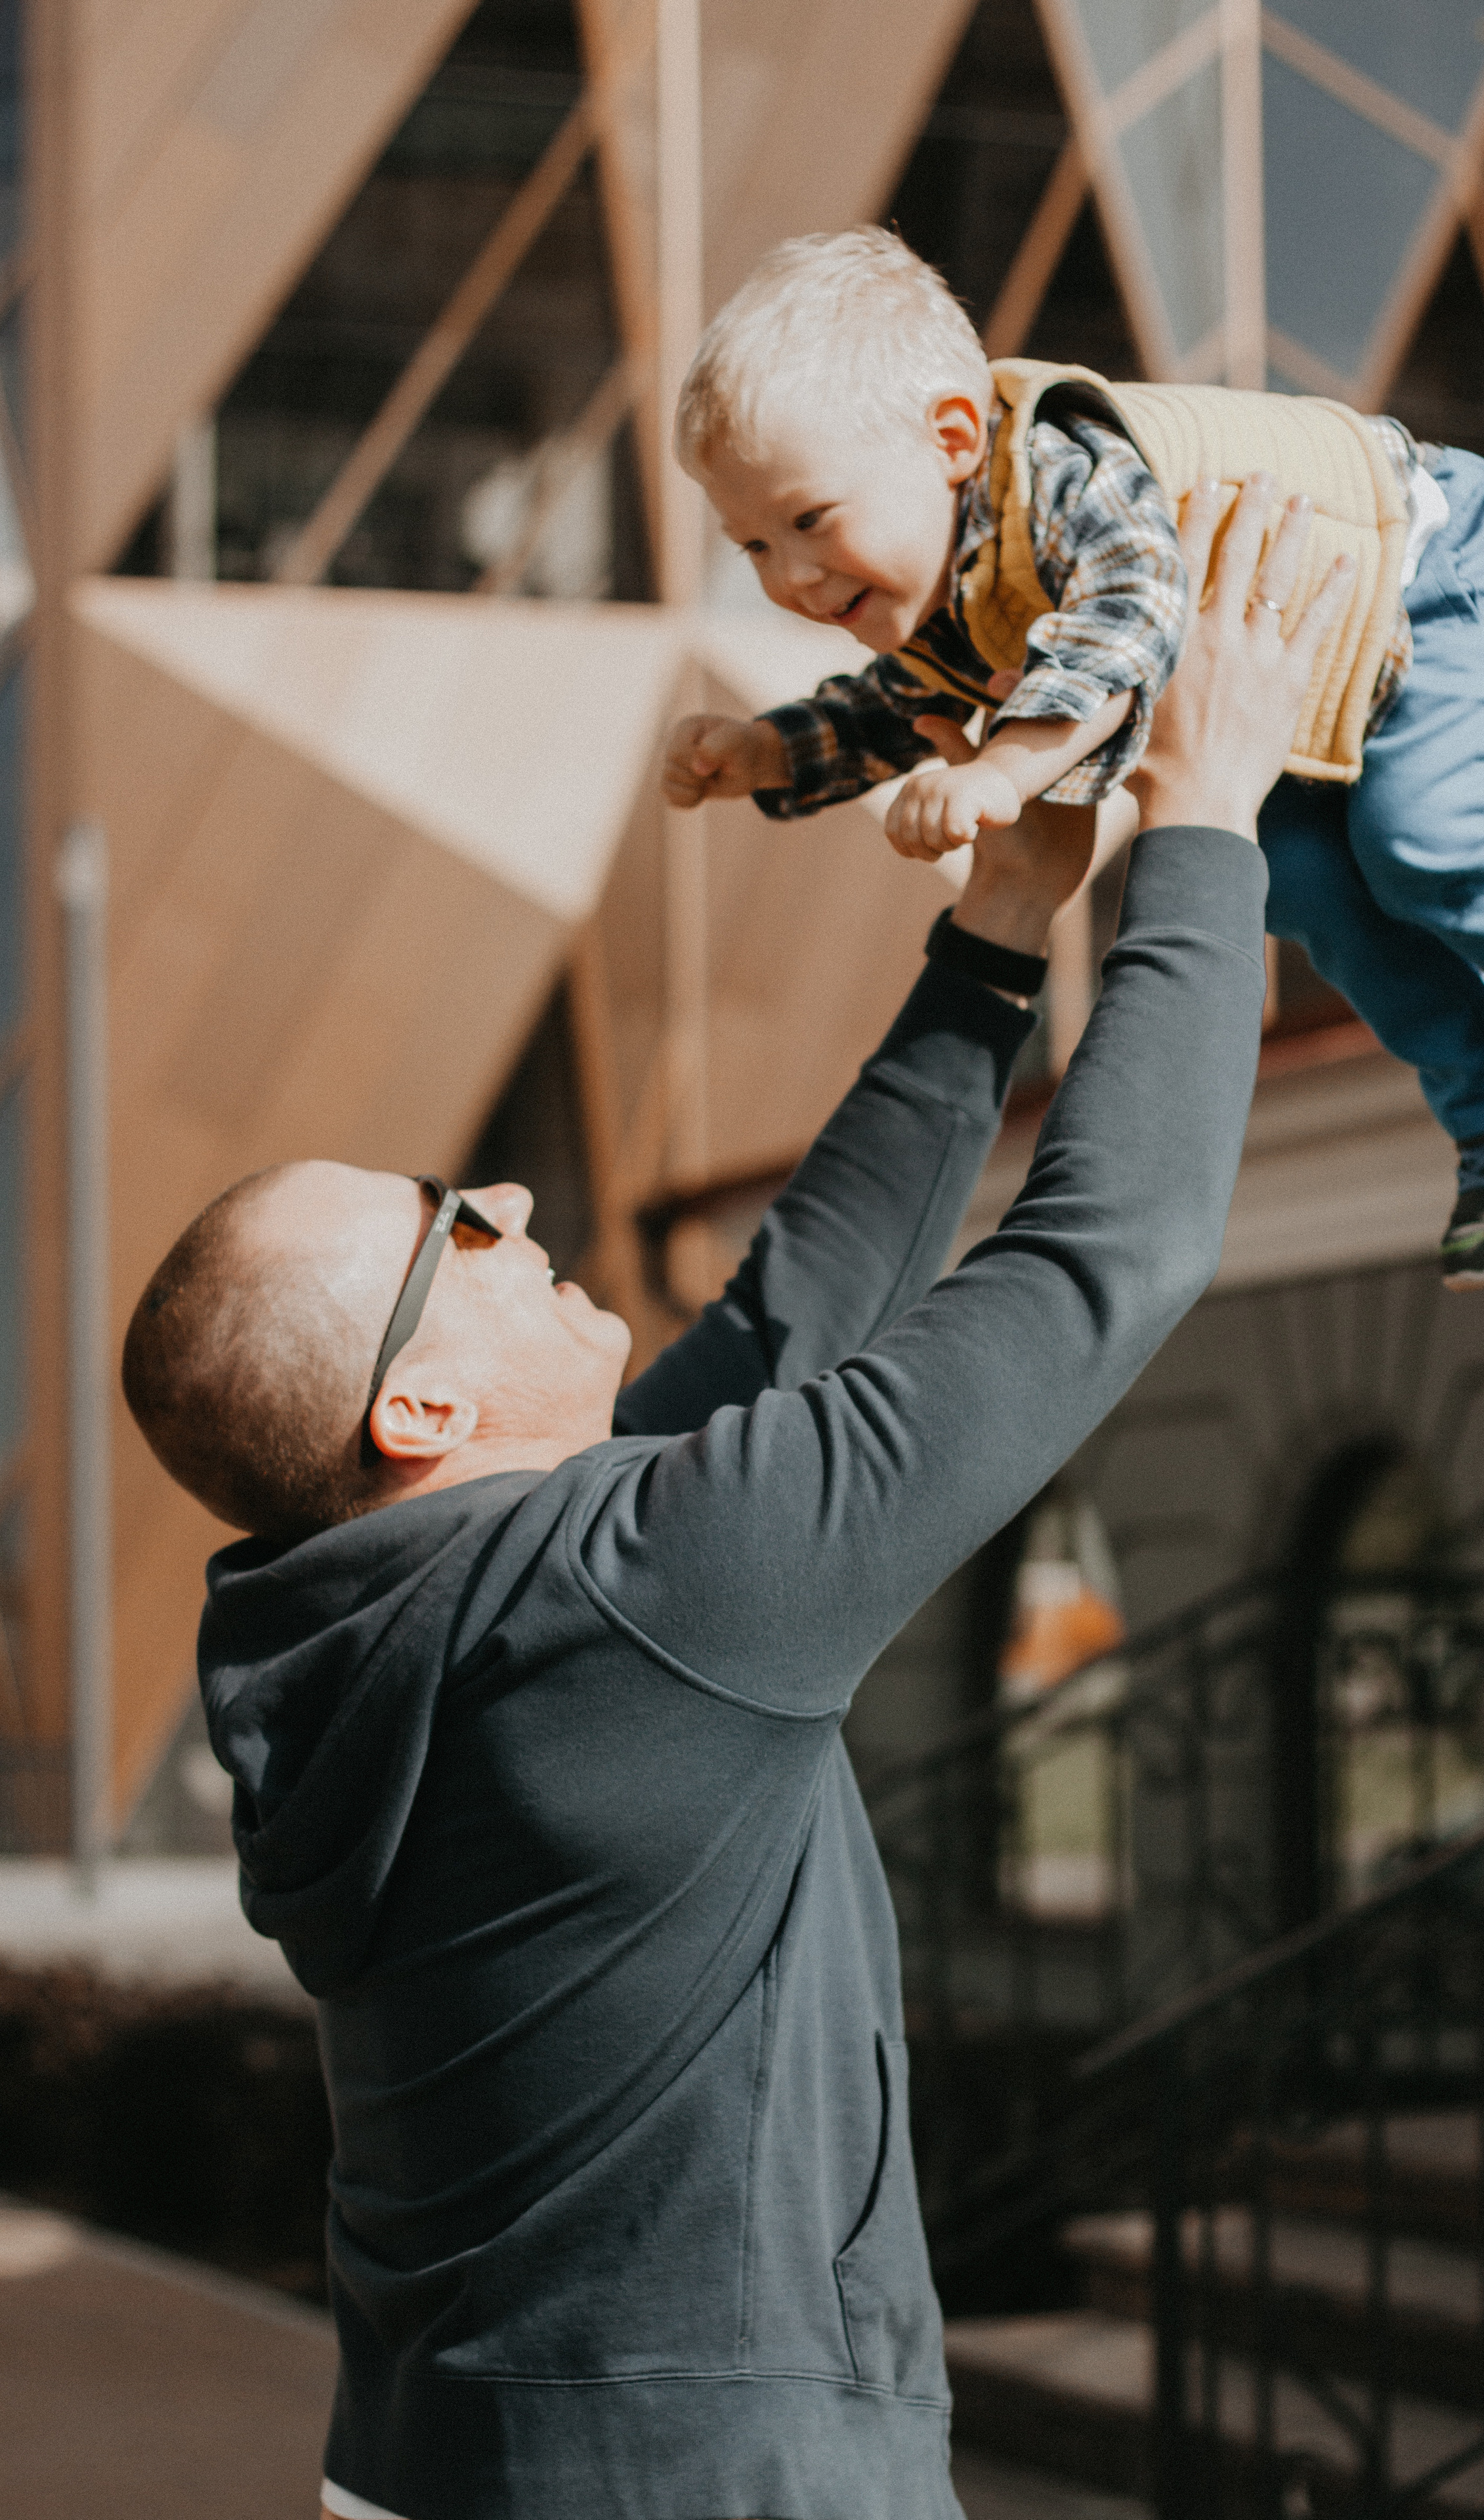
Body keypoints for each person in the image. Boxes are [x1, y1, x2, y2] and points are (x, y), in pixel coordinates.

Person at [121, 481, 1346, 2520]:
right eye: (454, 1227)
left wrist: (995, 936)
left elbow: (791, 1316)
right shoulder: (632, 1588)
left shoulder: (382, 1613)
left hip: (435, 2461)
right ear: (422, 1403)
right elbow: (1100, 1264)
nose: (511, 1195)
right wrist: (1207, 827)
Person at [661, 226, 1484, 1292]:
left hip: (1438, 571)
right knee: (1305, 883)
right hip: (1326, 671)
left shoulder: (1062, 472)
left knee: (1423, 831)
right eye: (754, 546)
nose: (791, 577)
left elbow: (1126, 621)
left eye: (809, 519)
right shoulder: (948, 590)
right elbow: (895, 706)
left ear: (954, 438)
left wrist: (1004, 771)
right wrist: (771, 751)